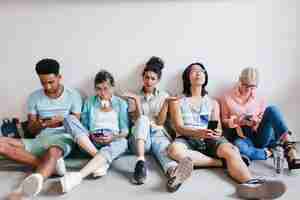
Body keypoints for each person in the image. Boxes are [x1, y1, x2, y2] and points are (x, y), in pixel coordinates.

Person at [167, 63, 286, 199]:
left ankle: (252, 185)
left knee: (231, 150)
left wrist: (215, 132)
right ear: (187, 78)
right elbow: (179, 127)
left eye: (202, 71)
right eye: (194, 71)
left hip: (209, 137)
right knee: (173, 150)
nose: (199, 73)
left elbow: (216, 126)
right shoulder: (178, 101)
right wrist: (197, 133)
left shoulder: (213, 102)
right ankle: (221, 162)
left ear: (205, 77)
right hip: (187, 137)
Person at [0, 58, 82, 198]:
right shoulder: (34, 97)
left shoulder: (73, 95)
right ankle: (52, 168)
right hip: (40, 138)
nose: (48, 87)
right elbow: (31, 130)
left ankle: (30, 186)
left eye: (51, 82)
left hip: (63, 137)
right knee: (1, 145)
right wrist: (41, 124)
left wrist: (63, 120)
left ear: (59, 77)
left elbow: (76, 125)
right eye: (43, 83)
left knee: (52, 152)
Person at [123, 56, 193, 192]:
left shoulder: (163, 96)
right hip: (139, 141)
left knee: (163, 148)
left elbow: (160, 122)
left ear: (158, 80)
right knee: (143, 120)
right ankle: (140, 162)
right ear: (142, 78)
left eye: (152, 78)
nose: (149, 81)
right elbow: (137, 120)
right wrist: (137, 101)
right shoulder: (133, 96)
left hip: (156, 134)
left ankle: (174, 175)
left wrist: (166, 102)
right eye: (146, 77)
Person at [59, 70, 129, 193]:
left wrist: (113, 137)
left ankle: (78, 176)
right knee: (68, 118)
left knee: (123, 142)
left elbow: (125, 131)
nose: (102, 93)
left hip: (112, 140)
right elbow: (84, 127)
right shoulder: (89, 102)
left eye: (106, 89)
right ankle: (101, 161)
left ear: (113, 88)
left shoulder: (121, 103)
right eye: (98, 89)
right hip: (91, 141)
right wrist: (91, 135)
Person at [220, 67, 300, 169]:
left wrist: (256, 120)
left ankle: (290, 148)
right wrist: (238, 121)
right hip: (243, 137)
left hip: (260, 134)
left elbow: (264, 117)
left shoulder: (260, 97)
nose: (248, 89)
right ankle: (270, 152)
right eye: (245, 85)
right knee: (239, 148)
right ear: (240, 80)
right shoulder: (227, 97)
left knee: (272, 109)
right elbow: (224, 121)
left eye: (252, 87)